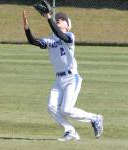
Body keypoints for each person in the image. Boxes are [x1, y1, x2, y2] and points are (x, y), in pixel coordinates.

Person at [22, 10, 103, 141]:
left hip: (72, 78)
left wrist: (49, 17)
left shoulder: (70, 36)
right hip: (59, 79)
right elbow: (33, 41)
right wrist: (26, 28)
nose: (59, 19)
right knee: (52, 106)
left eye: (62, 19)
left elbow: (61, 35)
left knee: (67, 109)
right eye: (57, 18)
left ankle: (95, 118)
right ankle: (70, 131)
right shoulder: (51, 40)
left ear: (67, 25)